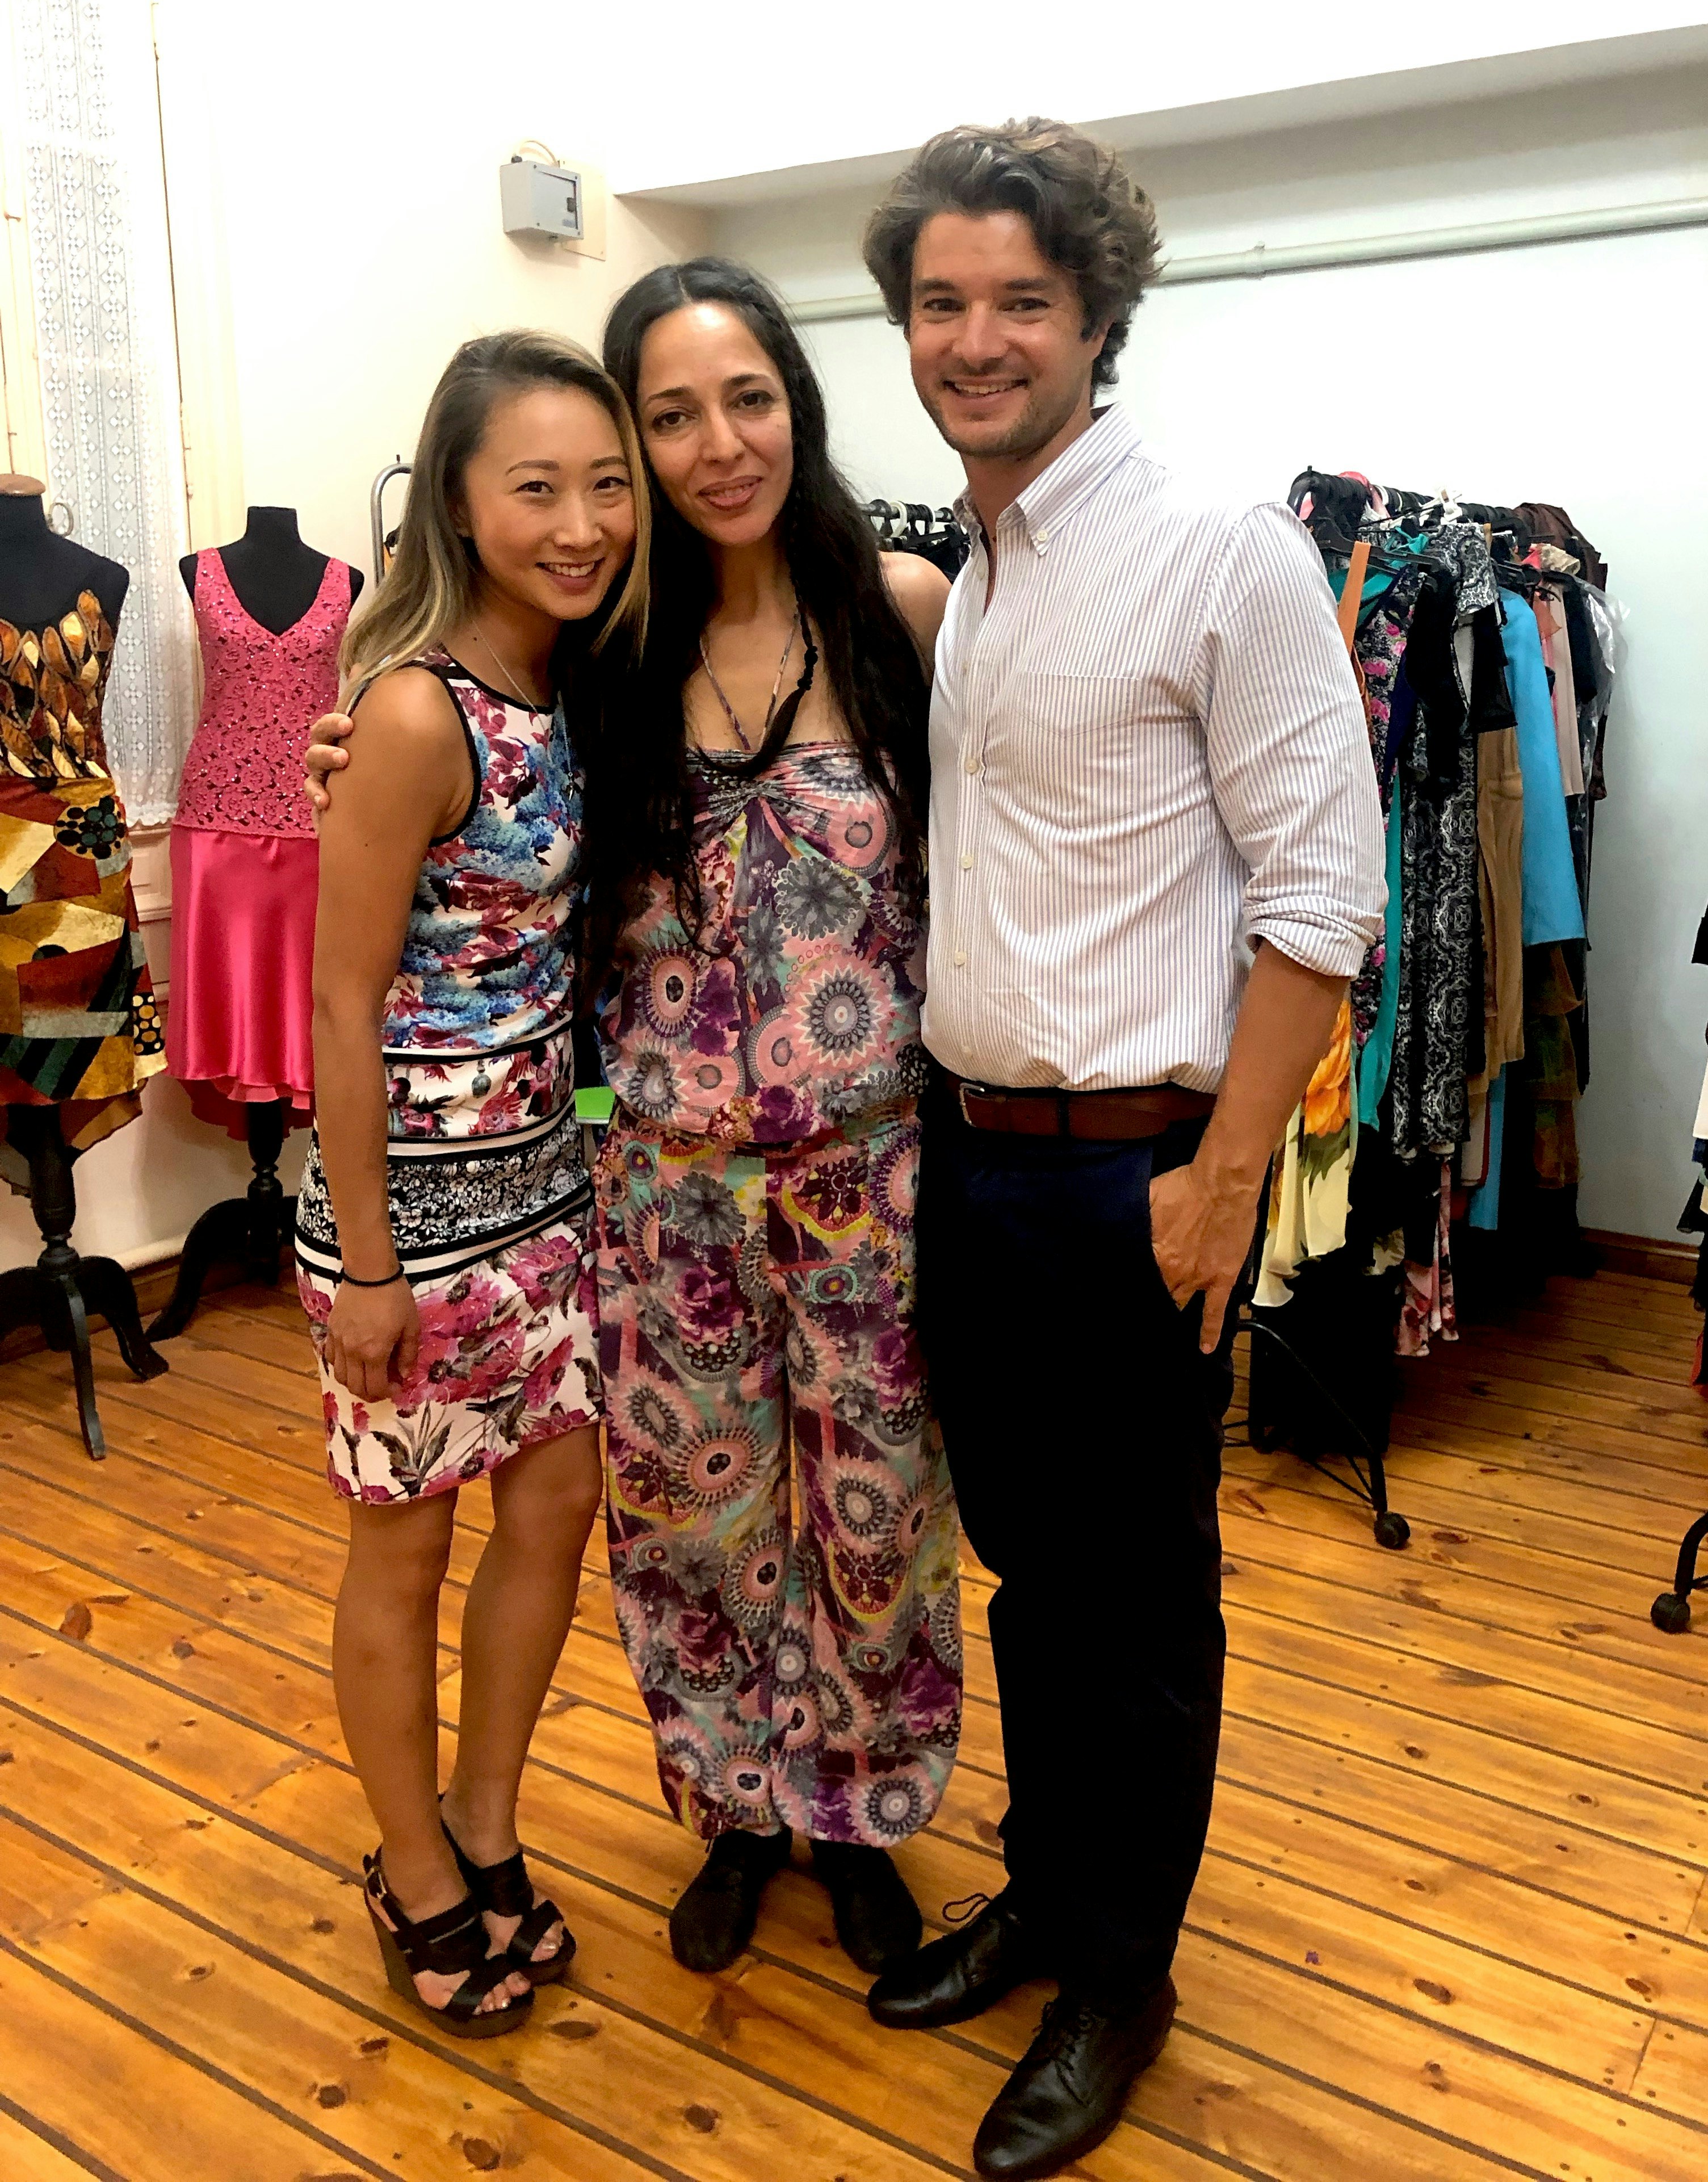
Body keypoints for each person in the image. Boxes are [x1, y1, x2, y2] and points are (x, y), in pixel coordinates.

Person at [857, 123, 1387, 2178]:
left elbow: (1325, 893)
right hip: (973, 1162)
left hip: (1133, 1171)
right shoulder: (974, 577)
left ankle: (1120, 1975)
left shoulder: (1221, 552)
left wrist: (1225, 1179)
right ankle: (1050, 1893)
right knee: (1029, 1573)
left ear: (1098, 318)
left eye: (1023, 300)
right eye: (941, 302)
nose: (977, 339)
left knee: (1139, 1598)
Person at [581, 259, 960, 1978]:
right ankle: (737, 1810)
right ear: (635, 441)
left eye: (746, 399)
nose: (718, 443)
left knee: (876, 1514)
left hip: (874, 1174)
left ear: (796, 402)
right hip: (666, 1187)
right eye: (671, 415)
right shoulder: (604, 655)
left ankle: (861, 1813)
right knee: (693, 1517)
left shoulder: (903, 612)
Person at [299, 329, 648, 2036]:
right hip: (412, 1215)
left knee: (557, 1507)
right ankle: (413, 1865)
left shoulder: (573, 683)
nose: (580, 525)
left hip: (546, 1187)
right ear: (456, 500)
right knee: (407, 1542)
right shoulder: (413, 706)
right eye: (536, 488)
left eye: (607, 486)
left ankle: (487, 1819)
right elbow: (338, 1001)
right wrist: (370, 1264)